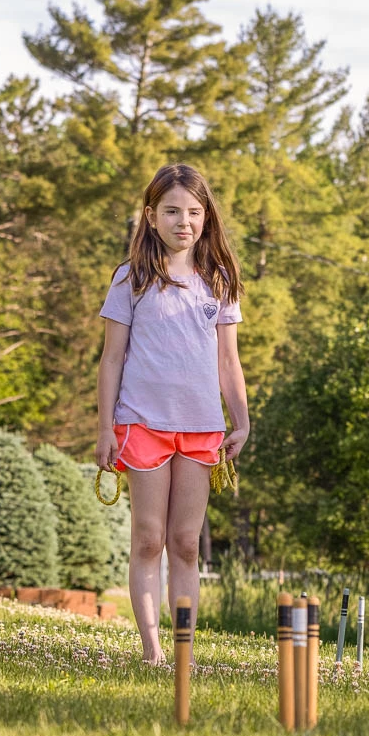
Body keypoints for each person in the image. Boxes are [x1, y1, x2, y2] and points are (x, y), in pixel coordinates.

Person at [97, 164, 250, 664]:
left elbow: (229, 361)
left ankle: (183, 650)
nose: (183, 221)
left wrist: (241, 420)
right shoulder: (132, 277)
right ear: (151, 216)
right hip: (141, 424)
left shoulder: (218, 281)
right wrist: (104, 428)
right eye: (171, 211)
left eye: (193, 212)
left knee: (185, 543)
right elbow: (112, 358)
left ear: (205, 218)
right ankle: (152, 650)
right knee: (148, 538)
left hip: (202, 428)